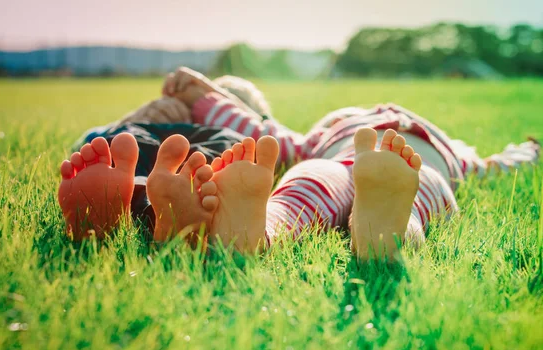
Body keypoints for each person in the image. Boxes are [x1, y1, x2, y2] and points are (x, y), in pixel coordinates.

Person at [58, 68, 540, 259]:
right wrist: (531, 152)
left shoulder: (325, 133)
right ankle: (384, 235)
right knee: (414, 203)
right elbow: (496, 165)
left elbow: (268, 136)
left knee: (296, 190)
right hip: (419, 173)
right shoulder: (449, 151)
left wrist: (206, 99)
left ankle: (262, 229)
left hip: (331, 163)